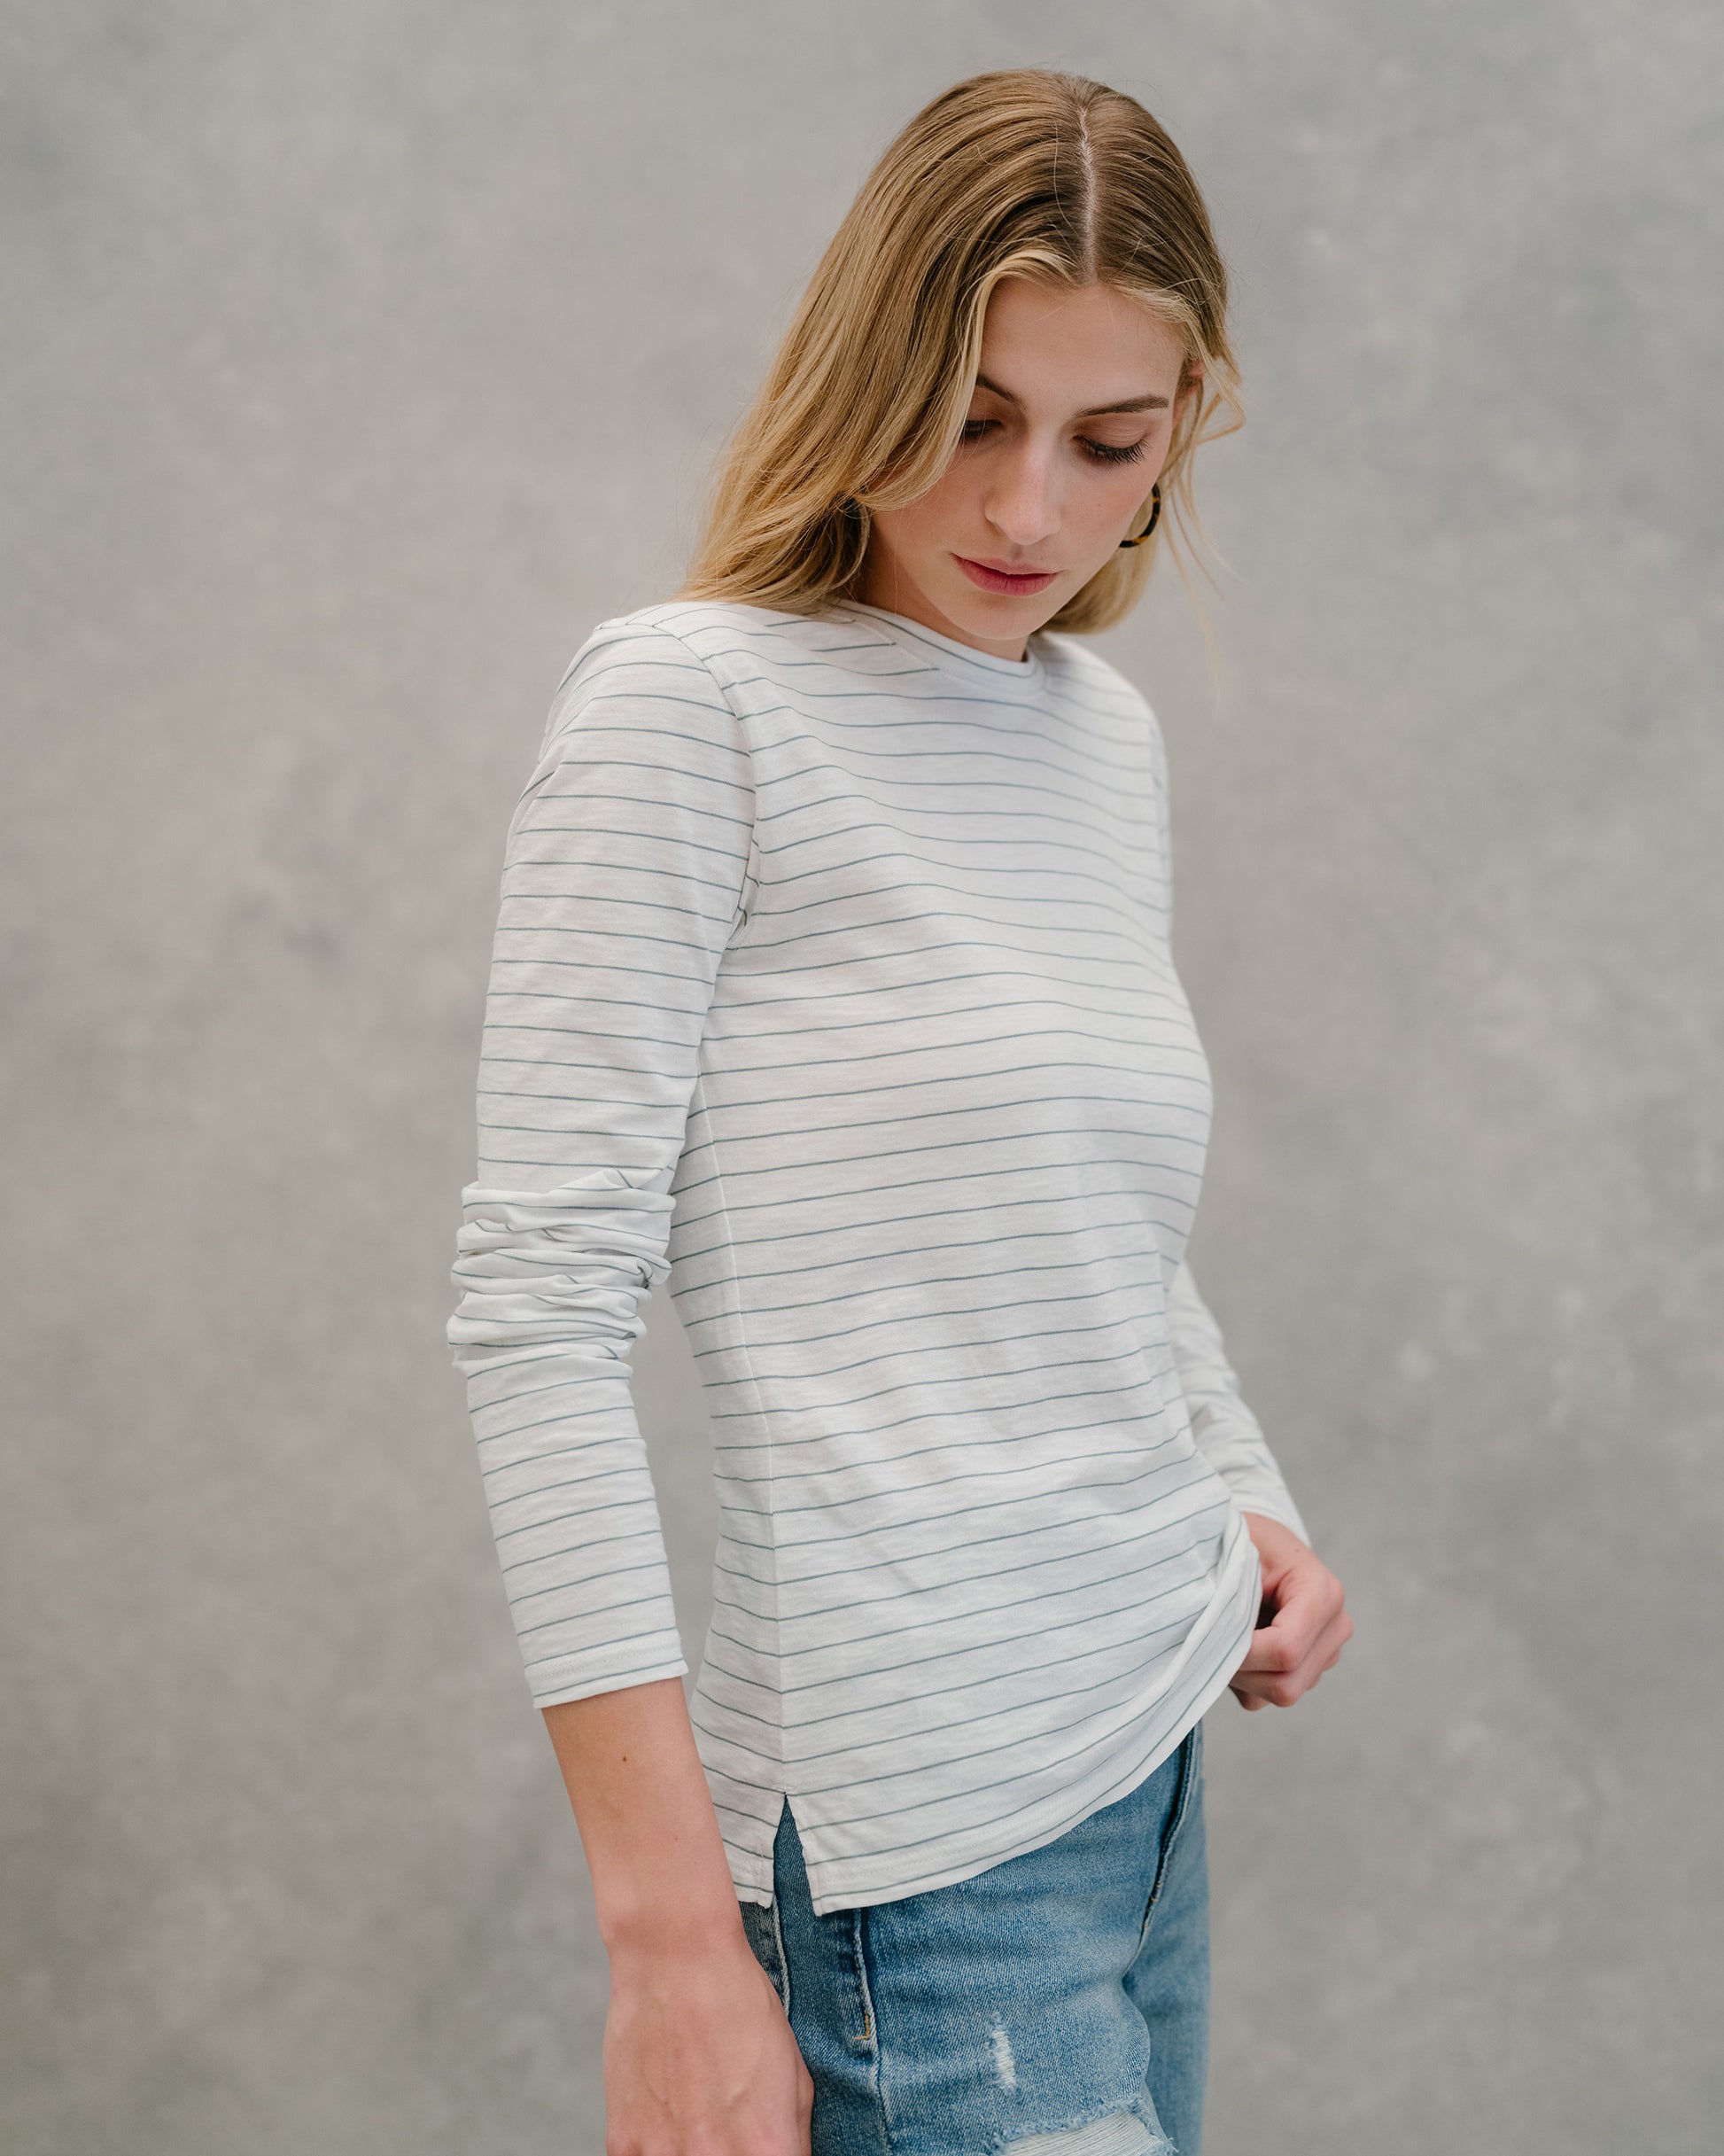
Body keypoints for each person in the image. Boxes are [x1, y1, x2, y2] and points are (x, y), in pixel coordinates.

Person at [447, 66, 1351, 2156]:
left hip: (1146, 1762)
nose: (1028, 510)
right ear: (867, 368)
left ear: (1185, 421)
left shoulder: (1096, 740)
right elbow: (538, 1314)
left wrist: (1241, 1482)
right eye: (969, 416)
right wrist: (671, 1944)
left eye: (1107, 441)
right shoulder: (690, 706)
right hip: (918, 1851)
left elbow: (1090, 1224)